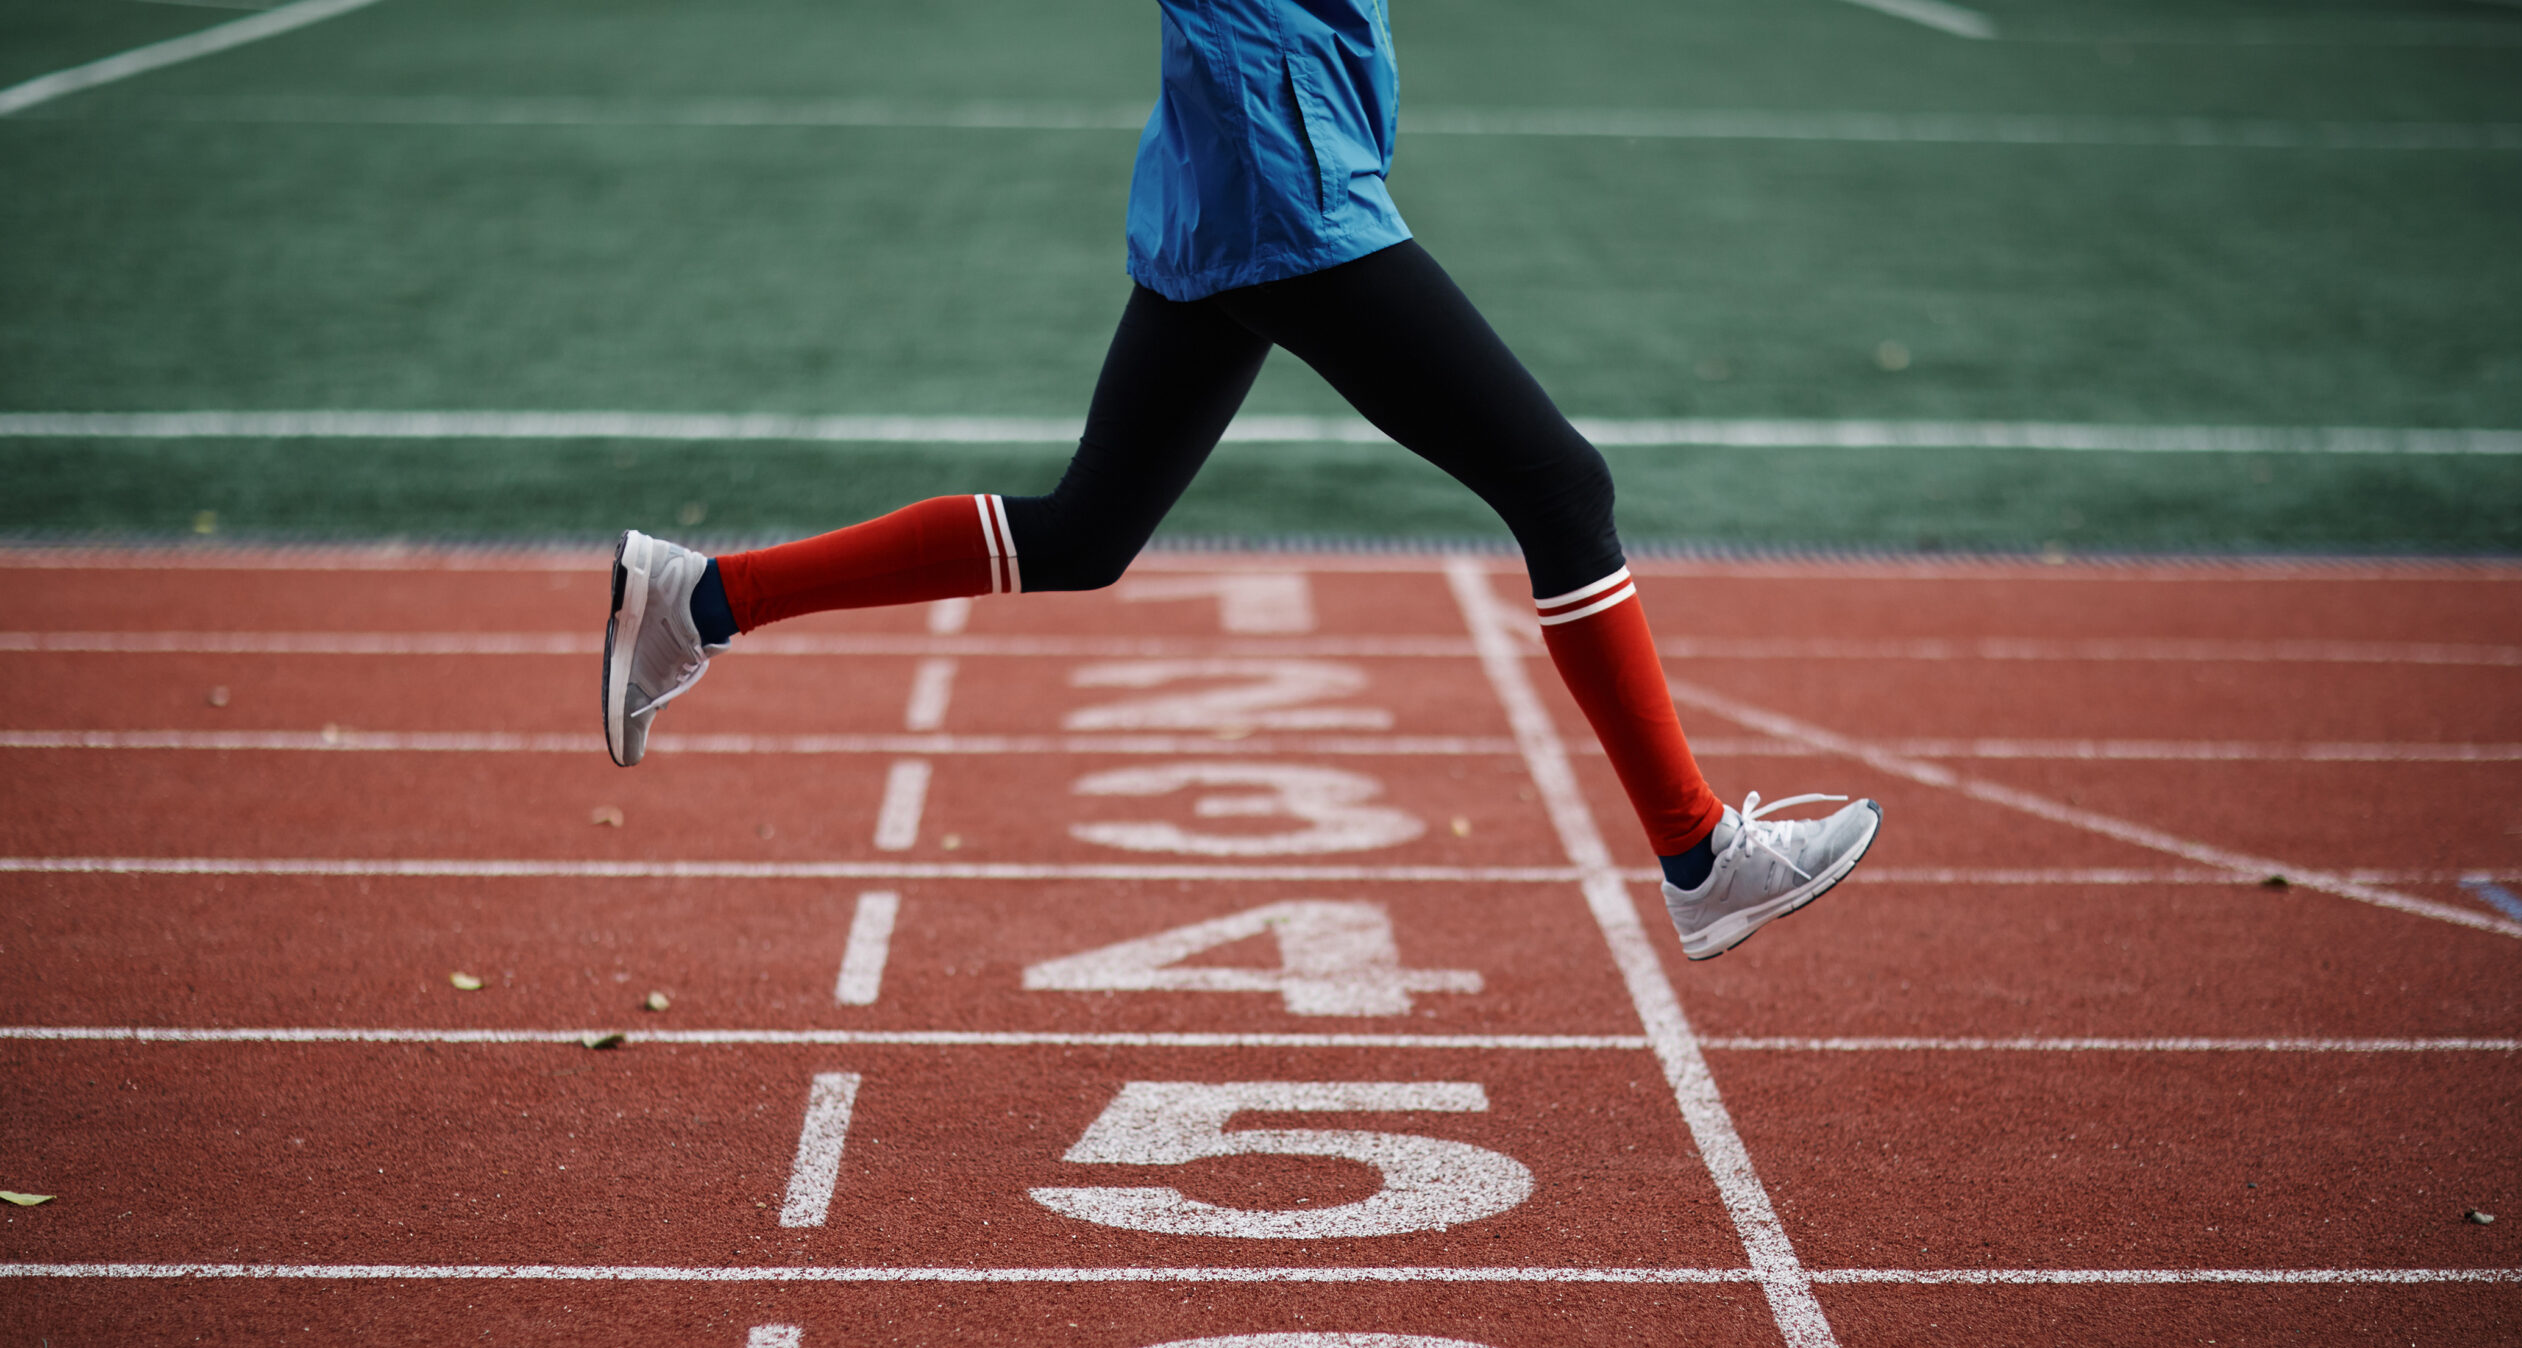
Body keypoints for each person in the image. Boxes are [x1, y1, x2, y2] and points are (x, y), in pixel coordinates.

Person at [601, 0, 1877, 961]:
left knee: (1087, 530)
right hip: (1286, 184)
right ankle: (1697, 852)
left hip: (1250, 174)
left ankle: (699, 598)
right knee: (1560, 486)